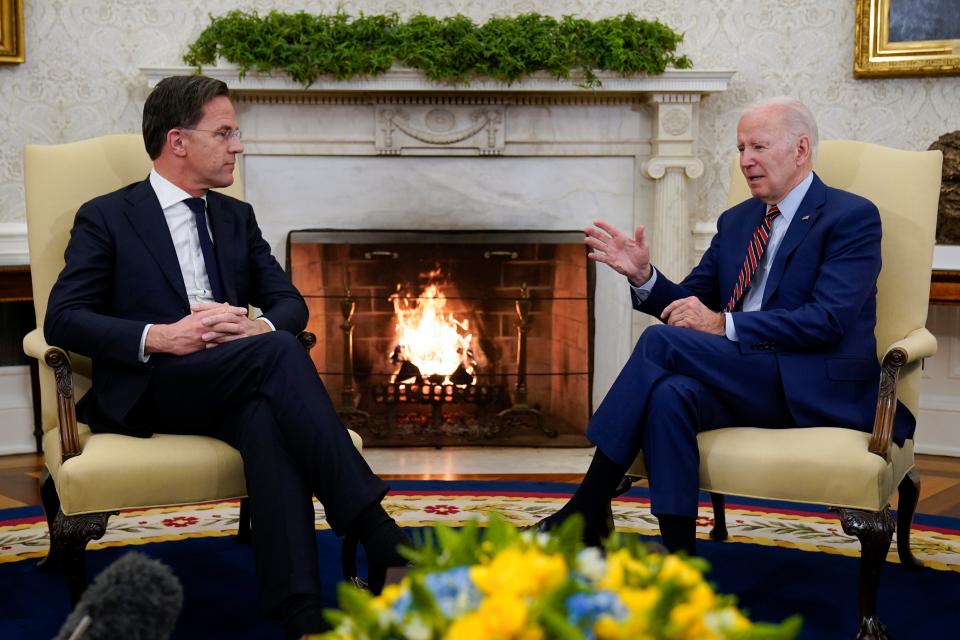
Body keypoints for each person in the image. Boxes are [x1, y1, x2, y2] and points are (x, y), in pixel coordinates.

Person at [45, 75, 410, 639]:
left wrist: (253, 326)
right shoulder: (108, 216)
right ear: (179, 141)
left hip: (234, 374)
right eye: (225, 132)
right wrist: (162, 336)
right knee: (278, 356)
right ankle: (379, 532)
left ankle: (302, 614)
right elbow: (63, 318)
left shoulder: (235, 217)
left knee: (267, 407)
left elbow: (289, 302)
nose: (238, 145)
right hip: (154, 386)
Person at [534, 96, 914, 555]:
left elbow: (827, 321)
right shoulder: (737, 222)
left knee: (659, 345)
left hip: (811, 381)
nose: (745, 161)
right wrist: (644, 277)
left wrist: (725, 325)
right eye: (739, 149)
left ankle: (586, 507)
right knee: (668, 394)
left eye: (758, 146)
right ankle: (680, 560)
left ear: (800, 149)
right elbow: (693, 305)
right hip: (743, 375)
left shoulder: (850, 216)